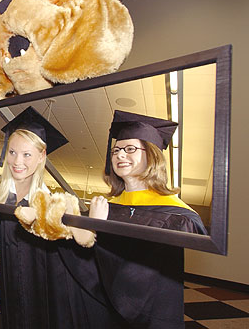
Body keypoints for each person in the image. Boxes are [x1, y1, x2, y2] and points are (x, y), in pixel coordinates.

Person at [0, 106, 122, 329]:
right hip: (10, 274)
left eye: (27, 154)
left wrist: (89, 226)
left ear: (41, 157)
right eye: (12, 152)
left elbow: (74, 247)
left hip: (43, 281)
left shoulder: (50, 202)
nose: (18, 161)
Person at [88, 110, 207, 328]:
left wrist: (98, 228)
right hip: (104, 306)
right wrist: (92, 227)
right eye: (116, 150)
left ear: (151, 155)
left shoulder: (176, 214)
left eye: (130, 149)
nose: (120, 155)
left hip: (153, 314)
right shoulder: (108, 206)